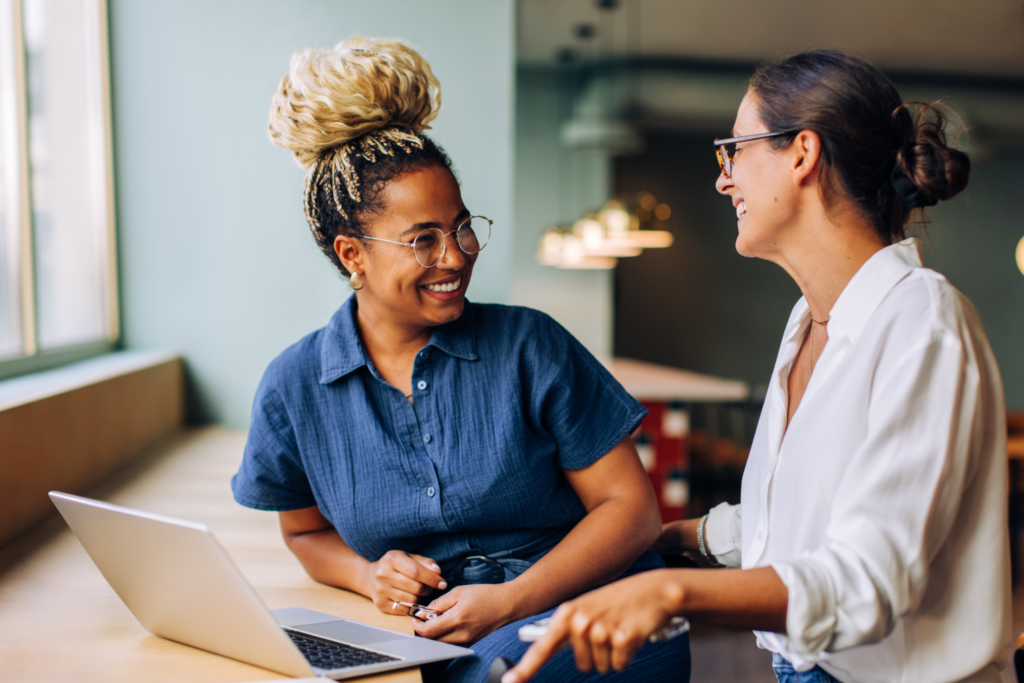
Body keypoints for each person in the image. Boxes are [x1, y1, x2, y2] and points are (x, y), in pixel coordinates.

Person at [505, 49, 1010, 683]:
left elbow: (869, 579)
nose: (723, 179)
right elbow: (802, 516)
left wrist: (669, 594)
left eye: (734, 151)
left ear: (802, 153)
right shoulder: (807, 322)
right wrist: (666, 539)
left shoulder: (923, 322)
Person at [229, 36, 689, 683]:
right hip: (441, 631)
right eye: (423, 239)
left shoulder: (532, 344)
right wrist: (368, 575)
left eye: (461, 227)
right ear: (352, 254)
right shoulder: (294, 386)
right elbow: (304, 534)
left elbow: (631, 510)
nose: (457, 255)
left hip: (593, 610)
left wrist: (510, 599)